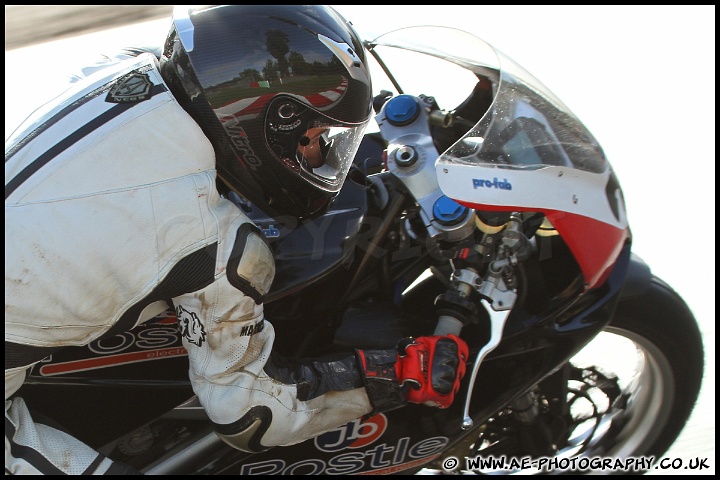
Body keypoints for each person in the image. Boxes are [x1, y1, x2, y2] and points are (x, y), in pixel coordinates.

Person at [5, 5, 469, 475]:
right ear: (273, 121)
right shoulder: (209, 238)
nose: (322, 152)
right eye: (316, 136)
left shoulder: (119, 69)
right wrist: (390, 375)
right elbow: (251, 417)